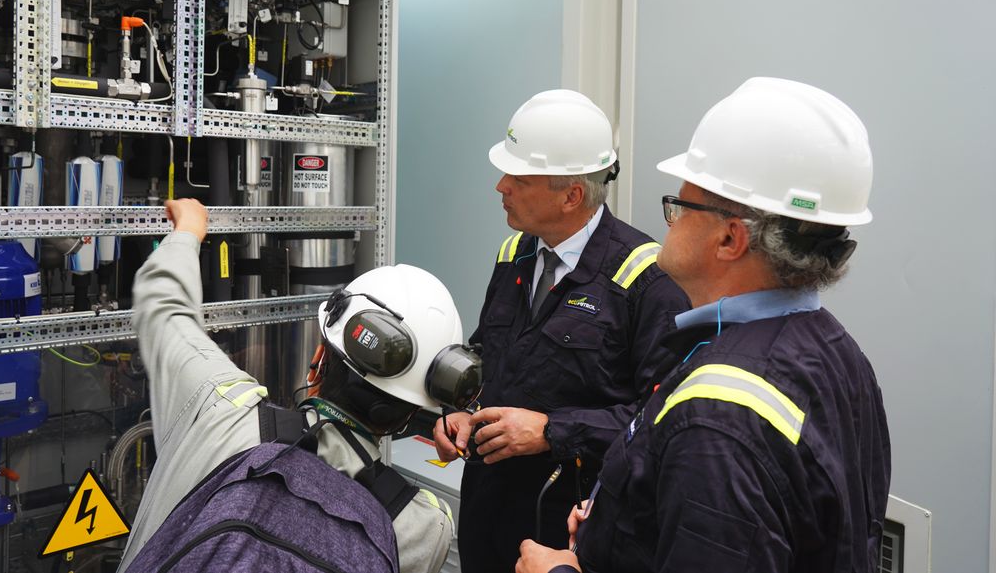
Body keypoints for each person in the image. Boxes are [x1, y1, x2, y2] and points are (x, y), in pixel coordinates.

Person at [515, 77, 892, 573]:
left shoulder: (719, 418)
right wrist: (619, 519)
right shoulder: (839, 353)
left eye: (681, 204)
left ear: (730, 238)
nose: (669, 218)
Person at [117, 198, 482, 573]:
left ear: (319, 359)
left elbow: (165, 309)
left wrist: (188, 231)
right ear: (408, 414)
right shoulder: (420, 525)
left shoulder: (219, 406)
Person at [432, 89, 690, 573]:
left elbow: (661, 422)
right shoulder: (516, 254)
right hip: (488, 512)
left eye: (518, 177)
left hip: (567, 531)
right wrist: (461, 411)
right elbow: (488, 354)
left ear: (571, 195)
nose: (500, 186)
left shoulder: (645, 280)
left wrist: (553, 431)